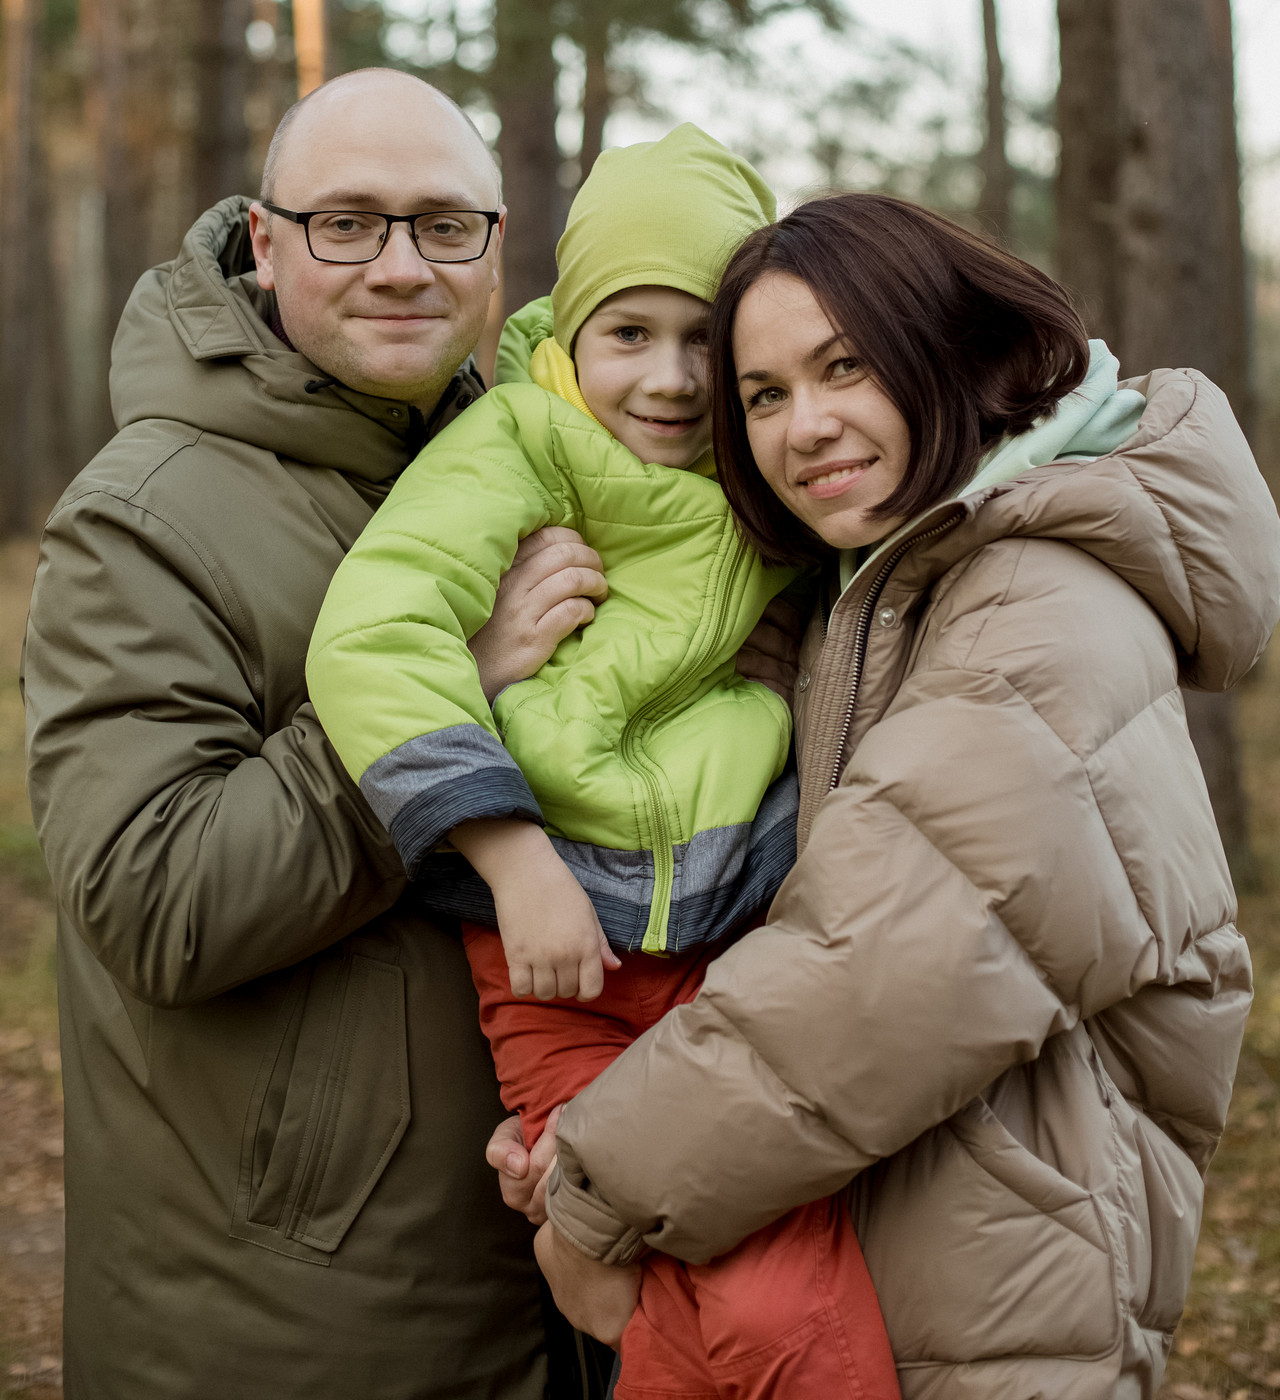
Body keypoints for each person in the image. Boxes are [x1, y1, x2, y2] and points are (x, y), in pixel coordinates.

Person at [502, 192, 1280, 1400]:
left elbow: (864, 979)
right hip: (914, 1273)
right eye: (761, 396)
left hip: (995, 1305)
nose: (802, 426)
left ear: (948, 347)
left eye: (842, 366)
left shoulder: (1038, 608)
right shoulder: (893, 592)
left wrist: (595, 1193)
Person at [22, 68, 616, 1400]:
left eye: (442, 225)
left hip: (550, 1267)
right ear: (265, 241)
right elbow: (157, 899)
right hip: (295, 1317)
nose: (401, 266)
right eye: (349, 223)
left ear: (495, 249)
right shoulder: (146, 517)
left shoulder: (525, 469)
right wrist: (437, 702)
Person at [307, 126, 901, 1400]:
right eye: (629, 332)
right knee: (659, 1274)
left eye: (705, 341)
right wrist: (509, 854)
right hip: (548, 965)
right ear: (567, 332)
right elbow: (373, 635)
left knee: (762, 1279)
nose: (673, 379)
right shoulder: (520, 442)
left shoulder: (771, 475)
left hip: (730, 957)